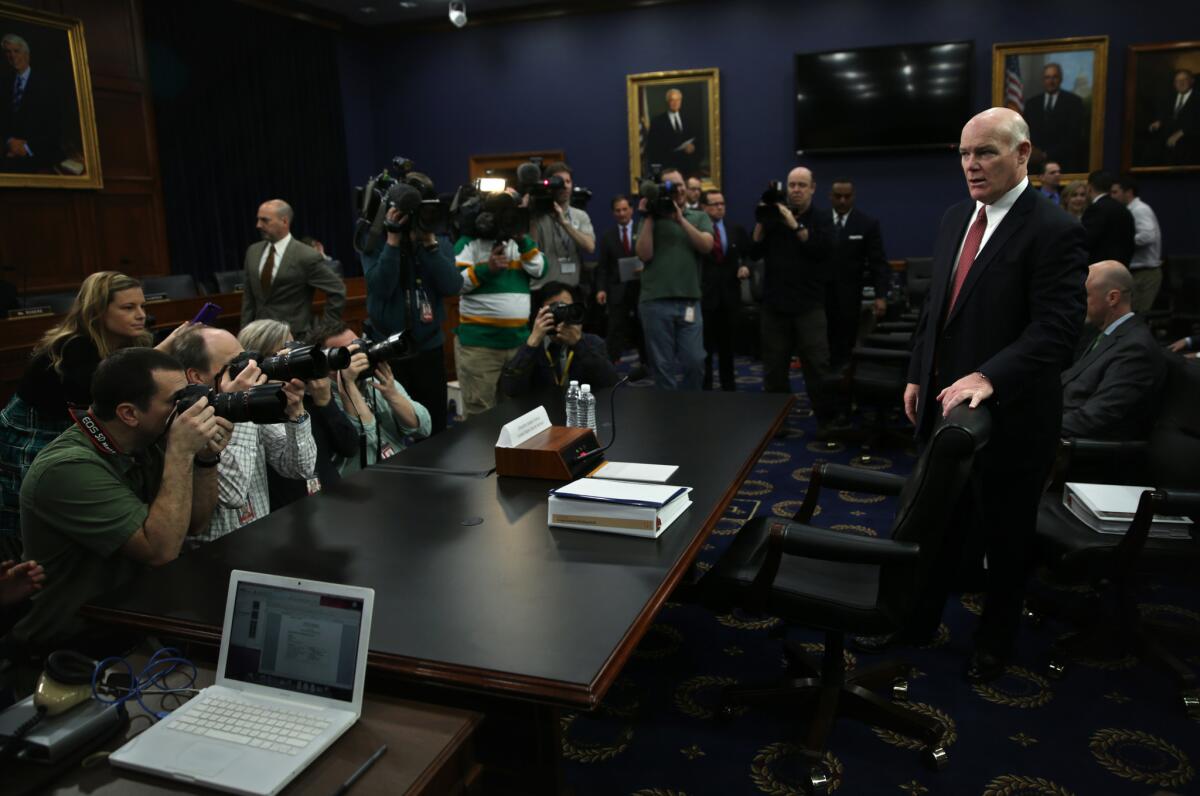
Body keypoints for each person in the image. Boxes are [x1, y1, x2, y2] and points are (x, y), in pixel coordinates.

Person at [902, 107, 1086, 684]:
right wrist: (918, 371)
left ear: (1023, 153)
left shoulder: (1055, 229)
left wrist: (991, 376)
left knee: (1006, 537)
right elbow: (937, 311)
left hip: (1014, 416)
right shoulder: (957, 217)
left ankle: (994, 642)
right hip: (945, 409)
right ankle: (915, 621)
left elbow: (1056, 332)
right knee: (938, 524)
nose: (972, 165)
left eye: (986, 152)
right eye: (964, 153)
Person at [7, 348, 231, 650]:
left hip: (132, 626)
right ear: (128, 413)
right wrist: (180, 453)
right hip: (68, 647)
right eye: (176, 401)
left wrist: (205, 460)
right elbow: (161, 551)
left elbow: (195, 523)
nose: (188, 410)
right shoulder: (67, 468)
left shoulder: (146, 440)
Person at [0, 272, 186, 555]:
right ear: (97, 311)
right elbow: (107, 391)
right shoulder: (72, 347)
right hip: (36, 434)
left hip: (81, 429)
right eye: (128, 308)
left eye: (142, 306)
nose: (141, 315)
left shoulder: (133, 341)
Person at [165, 325, 315, 542]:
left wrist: (295, 413)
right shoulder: (186, 423)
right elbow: (233, 495)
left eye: (245, 359)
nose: (248, 369)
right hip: (217, 557)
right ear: (196, 376)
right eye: (233, 366)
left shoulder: (252, 399)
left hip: (262, 542)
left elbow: (300, 468)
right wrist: (241, 404)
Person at [362, 180, 461, 435]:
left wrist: (429, 245)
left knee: (434, 425)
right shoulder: (373, 240)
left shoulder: (436, 242)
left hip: (428, 347)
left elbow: (452, 286)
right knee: (393, 425)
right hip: (386, 348)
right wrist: (393, 241)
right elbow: (381, 287)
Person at [751, 166, 838, 433]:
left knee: (817, 366)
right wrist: (763, 218)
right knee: (774, 368)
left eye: (802, 185)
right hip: (775, 305)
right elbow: (754, 251)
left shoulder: (822, 218)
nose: (796, 190)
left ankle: (827, 421)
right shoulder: (773, 219)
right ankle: (778, 423)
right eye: (792, 185)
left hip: (808, 305)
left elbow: (821, 249)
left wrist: (794, 223)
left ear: (812, 188)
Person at [237, 319, 358, 509]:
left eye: (292, 350)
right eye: (283, 354)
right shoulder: (254, 413)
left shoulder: (307, 393)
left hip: (332, 500)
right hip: (290, 511)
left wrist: (325, 402)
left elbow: (350, 447)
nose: (293, 358)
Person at [453, 204, 546, 416]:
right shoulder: (468, 243)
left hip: (518, 343)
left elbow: (540, 269)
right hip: (480, 347)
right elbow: (455, 283)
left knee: (517, 411)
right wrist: (487, 269)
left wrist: (522, 240)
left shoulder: (521, 244)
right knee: (479, 413)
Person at [1062, 261, 1165, 440]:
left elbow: (1098, 416)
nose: (1079, 304)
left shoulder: (1136, 349)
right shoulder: (1108, 333)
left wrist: (1039, 426)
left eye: (1086, 296)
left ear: (1112, 298)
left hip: (1080, 451)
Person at [635, 167, 713, 391]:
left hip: (689, 301)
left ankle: (691, 409)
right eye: (672, 186)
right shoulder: (650, 220)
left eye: (681, 184)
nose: (678, 189)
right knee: (662, 365)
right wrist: (650, 216)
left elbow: (706, 246)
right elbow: (644, 254)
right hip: (655, 301)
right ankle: (669, 415)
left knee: (695, 360)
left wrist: (680, 219)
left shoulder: (698, 216)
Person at [316, 323, 431, 475]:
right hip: (358, 486)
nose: (361, 355)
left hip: (400, 471)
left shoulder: (375, 380)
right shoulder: (324, 400)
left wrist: (392, 394)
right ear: (328, 362)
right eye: (349, 352)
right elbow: (367, 440)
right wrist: (348, 383)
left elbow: (424, 428)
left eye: (359, 346)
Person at [240, 199, 346, 337]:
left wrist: (324, 330)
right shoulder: (253, 252)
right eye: (258, 220)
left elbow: (337, 290)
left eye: (265, 220)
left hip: (294, 337)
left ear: (284, 221)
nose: (258, 225)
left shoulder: (305, 255)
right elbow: (248, 298)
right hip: (258, 337)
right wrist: (244, 334)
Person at [500, 282, 619, 399]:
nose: (562, 314)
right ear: (540, 313)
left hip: (583, 413)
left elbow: (611, 384)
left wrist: (579, 344)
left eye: (567, 307)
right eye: (555, 309)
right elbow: (511, 389)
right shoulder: (535, 346)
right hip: (545, 413)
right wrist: (532, 343)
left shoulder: (592, 342)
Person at [826, 177, 890, 370]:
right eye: (838, 196)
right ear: (831, 197)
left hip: (850, 296)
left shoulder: (866, 224)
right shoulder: (820, 221)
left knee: (846, 345)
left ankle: (844, 386)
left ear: (853, 196)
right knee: (821, 347)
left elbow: (877, 263)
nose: (842, 201)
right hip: (820, 296)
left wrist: (881, 296)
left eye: (847, 196)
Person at [699, 189, 750, 390]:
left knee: (728, 347)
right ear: (704, 208)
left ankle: (729, 386)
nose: (720, 207)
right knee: (705, 348)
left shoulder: (735, 229)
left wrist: (745, 265)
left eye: (722, 203)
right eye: (714, 204)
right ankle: (706, 386)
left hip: (730, 297)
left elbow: (748, 254)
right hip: (706, 296)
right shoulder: (699, 230)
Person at [594, 195, 648, 375]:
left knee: (643, 328)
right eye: (618, 210)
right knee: (615, 328)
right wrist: (601, 289)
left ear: (632, 210)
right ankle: (610, 366)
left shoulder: (643, 230)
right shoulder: (608, 236)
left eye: (625, 209)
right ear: (613, 213)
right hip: (617, 289)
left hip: (642, 288)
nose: (622, 213)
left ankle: (647, 364)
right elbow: (602, 267)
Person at [0, 33, 62, 172]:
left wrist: (27, 148)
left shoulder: (47, 85)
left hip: (38, 159)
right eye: (8, 52)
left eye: (16, 51)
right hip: (7, 157)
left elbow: (56, 128)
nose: (12, 56)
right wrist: (9, 142)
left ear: (27, 54)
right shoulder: (3, 84)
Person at [529, 161, 595, 290]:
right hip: (542, 290)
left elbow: (590, 247)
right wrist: (531, 215)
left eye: (568, 181)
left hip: (571, 289)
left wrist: (565, 223)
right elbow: (531, 250)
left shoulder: (580, 216)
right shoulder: (538, 216)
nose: (564, 186)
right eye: (559, 182)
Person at [1109, 174, 1163, 312]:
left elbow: (1147, 236)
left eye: (1115, 192)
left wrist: (1123, 242)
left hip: (1145, 273)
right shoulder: (1129, 210)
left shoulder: (1139, 210)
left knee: (1138, 314)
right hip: (1137, 272)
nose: (1112, 196)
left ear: (1129, 192)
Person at [1022, 63, 1087, 173]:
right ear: (1043, 80)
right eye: (1047, 77)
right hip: (1035, 167)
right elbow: (1026, 132)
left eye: (1054, 77)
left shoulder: (1074, 102)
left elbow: (1073, 136)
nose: (1051, 81)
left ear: (1061, 79)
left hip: (1064, 165)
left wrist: (1045, 155)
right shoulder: (1032, 103)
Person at [644, 88, 703, 177]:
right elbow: (652, 148)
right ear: (667, 102)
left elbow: (698, 141)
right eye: (672, 100)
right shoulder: (657, 121)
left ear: (681, 101)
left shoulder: (689, 119)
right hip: (667, 168)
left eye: (678, 100)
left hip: (688, 168)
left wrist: (693, 147)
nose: (675, 103)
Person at [1082, 171, 1135, 267]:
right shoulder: (1123, 208)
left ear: (1089, 187)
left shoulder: (1096, 209)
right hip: (1122, 268)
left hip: (1100, 270)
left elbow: (1086, 241)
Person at [1145, 69, 1198, 166]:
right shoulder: (1169, 97)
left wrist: (1181, 133)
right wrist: (1159, 122)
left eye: (1184, 80)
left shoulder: (1197, 98)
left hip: (1190, 143)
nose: (1181, 83)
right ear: (1174, 83)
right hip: (1167, 141)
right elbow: (1166, 115)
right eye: (1178, 81)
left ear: (1192, 81)